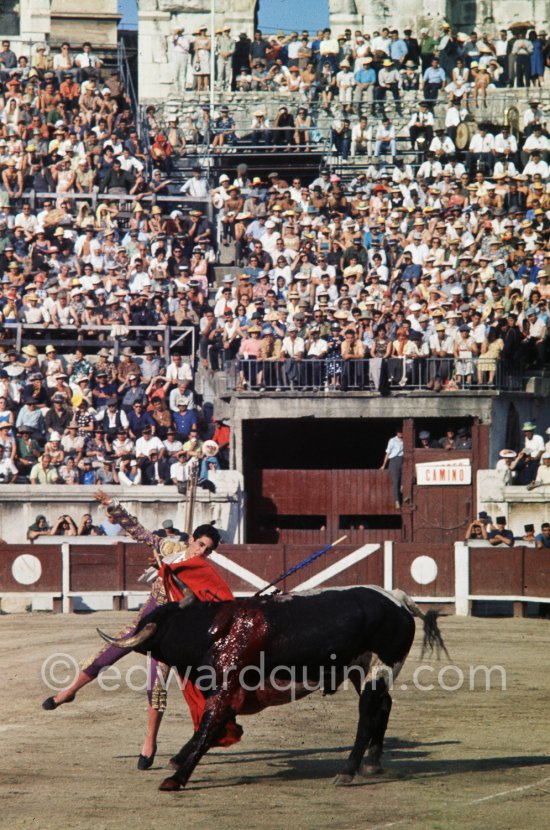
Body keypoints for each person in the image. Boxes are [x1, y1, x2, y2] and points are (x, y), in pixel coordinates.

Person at [42, 491, 237, 770]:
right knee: (107, 654)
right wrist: (113, 506)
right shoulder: (168, 550)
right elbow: (139, 532)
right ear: (191, 540)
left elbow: (203, 603)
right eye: (201, 545)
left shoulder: (201, 572)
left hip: (168, 638)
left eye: (208, 550)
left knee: (155, 688)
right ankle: (69, 691)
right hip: (144, 623)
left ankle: (149, 741)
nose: (203, 552)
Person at [380, 427, 404, 509]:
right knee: (396, 481)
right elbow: (388, 452)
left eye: (401, 432)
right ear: (397, 433)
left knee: (405, 476)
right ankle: (397, 501)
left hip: (403, 460)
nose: (400, 433)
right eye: (399, 432)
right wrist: (384, 465)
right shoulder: (392, 440)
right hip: (394, 460)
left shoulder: (406, 440)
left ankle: (403, 487)